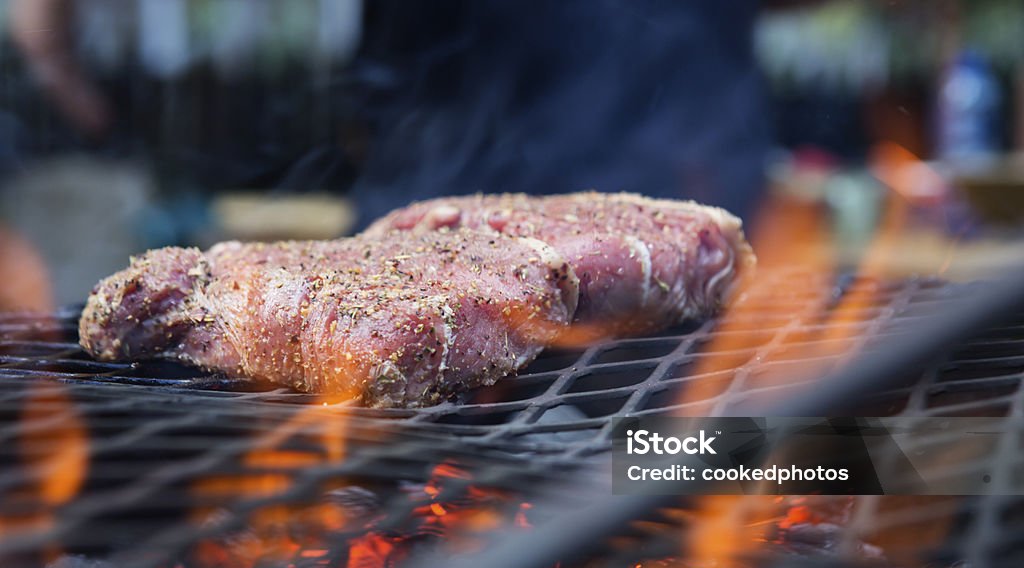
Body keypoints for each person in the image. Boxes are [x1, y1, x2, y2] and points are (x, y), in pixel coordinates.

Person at [8, 0, 771, 228]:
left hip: (435, 209)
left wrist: (52, 49)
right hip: (697, 194)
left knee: (444, 494)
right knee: (746, 468)